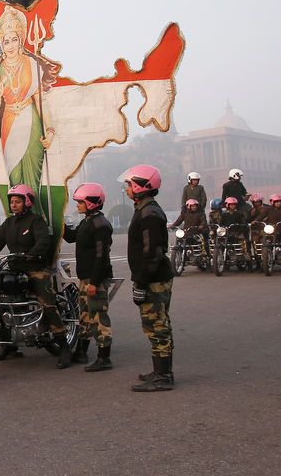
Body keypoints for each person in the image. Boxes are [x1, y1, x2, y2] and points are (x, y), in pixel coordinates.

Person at [0, 184, 71, 368]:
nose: (13, 204)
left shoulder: (36, 221)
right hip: (14, 268)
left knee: (47, 304)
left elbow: (43, 241)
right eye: (12, 201)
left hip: (35, 268)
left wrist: (33, 253)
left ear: (27, 202)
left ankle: (64, 347)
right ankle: (8, 344)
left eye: (17, 201)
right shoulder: (9, 223)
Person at [0, 6, 60, 220]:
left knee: (32, 179)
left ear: (21, 40)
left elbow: (40, 100)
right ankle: (18, 222)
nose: (10, 46)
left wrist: (50, 130)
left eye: (14, 39)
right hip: (9, 124)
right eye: (6, 41)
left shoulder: (31, 63)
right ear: (1, 44)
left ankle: (38, 221)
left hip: (31, 121)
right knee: (15, 177)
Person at [119, 165, 175, 392]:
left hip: (154, 278)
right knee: (152, 324)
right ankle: (159, 371)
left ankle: (163, 376)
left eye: (129, 185)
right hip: (151, 276)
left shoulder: (149, 213)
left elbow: (151, 253)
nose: (127, 190)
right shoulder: (145, 208)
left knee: (157, 324)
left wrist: (141, 283)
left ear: (141, 186)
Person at [61, 183, 114, 372]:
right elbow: (72, 237)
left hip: (95, 279)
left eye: (80, 202)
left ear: (91, 203)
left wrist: (95, 282)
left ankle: (104, 357)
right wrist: (59, 221)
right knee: (84, 316)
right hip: (86, 279)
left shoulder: (100, 225)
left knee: (99, 316)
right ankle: (81, 352)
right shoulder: (87, 221)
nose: (77, 205)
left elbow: (102, 257)